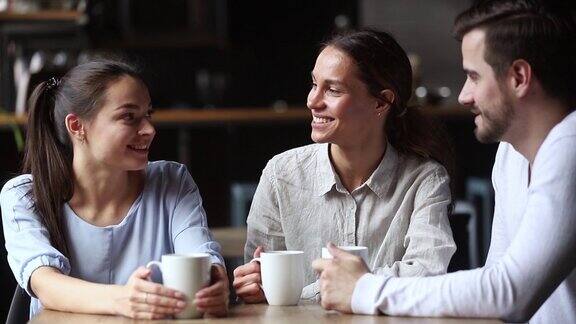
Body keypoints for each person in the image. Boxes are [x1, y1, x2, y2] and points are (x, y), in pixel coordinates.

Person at [312, 1, 576, 323]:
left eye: (474, 76)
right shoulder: (511, 154)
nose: (464, 95)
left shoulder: (571, 145)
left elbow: (508, 293)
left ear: (519, 77)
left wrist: (365, 289)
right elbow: (494, 288)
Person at [233, 29, 457, 303]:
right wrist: (254, 285)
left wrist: (312, 292)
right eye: (314, 84)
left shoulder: (425, 180)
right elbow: (260, 284)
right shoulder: (281, 174)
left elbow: (426, 276)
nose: (313, 101)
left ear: (381, 102)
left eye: (333, 89)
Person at [0, 60, 229, 319]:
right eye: (128, 117)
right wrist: (123, 299)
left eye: (148, 115)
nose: (149, 130)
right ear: (77, 126)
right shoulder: (25, 195)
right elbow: (46, 284)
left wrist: (214, 280)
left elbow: (201, 255)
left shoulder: (172, 180)